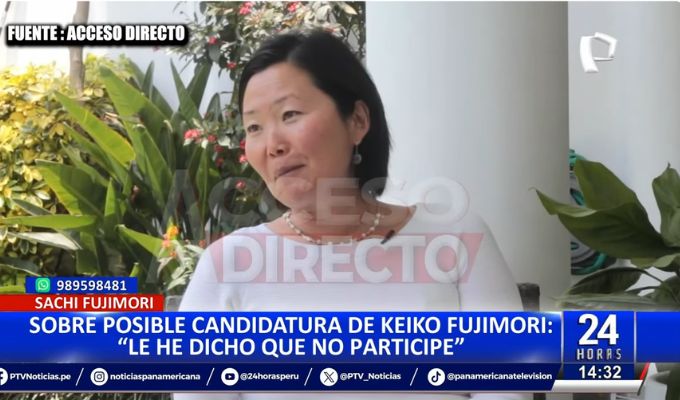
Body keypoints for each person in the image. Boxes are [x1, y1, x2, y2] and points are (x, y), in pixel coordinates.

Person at [177, 30, 528, 400]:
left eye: (290, 114)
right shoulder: (228, 264)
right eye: (254, 128)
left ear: (357, 120)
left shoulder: (457, 238)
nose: (273, 144)